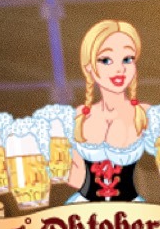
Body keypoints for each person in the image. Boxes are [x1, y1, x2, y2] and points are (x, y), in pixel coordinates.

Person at [62, 18, 149, 203]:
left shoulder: (145, 114)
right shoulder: (79, 116)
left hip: (133, 214)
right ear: (89, 67)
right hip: (83, 212)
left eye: (127, 59)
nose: (119, 69)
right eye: (106, 60)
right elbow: (75, 178)